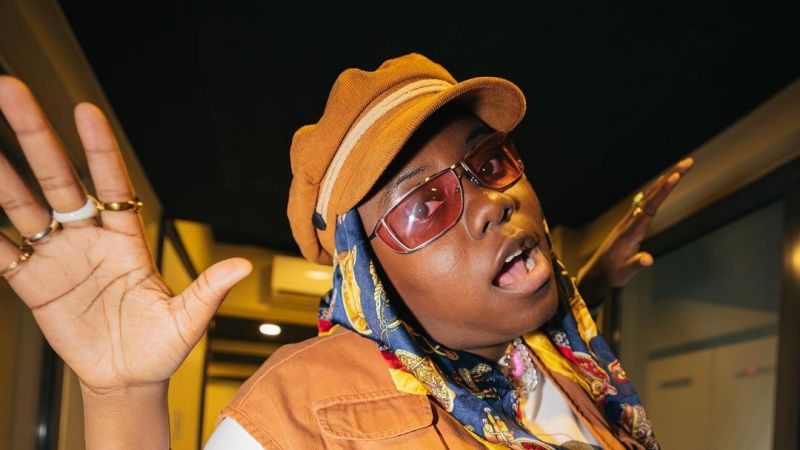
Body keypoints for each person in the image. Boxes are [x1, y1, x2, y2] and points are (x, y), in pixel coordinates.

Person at [0, 53, 692, 449]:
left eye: (488, 163)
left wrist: (590, 279)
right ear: (367, 275)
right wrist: (122, 397)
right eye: (424, 205)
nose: (491, 203)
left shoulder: (555, 358)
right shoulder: (302, 413)